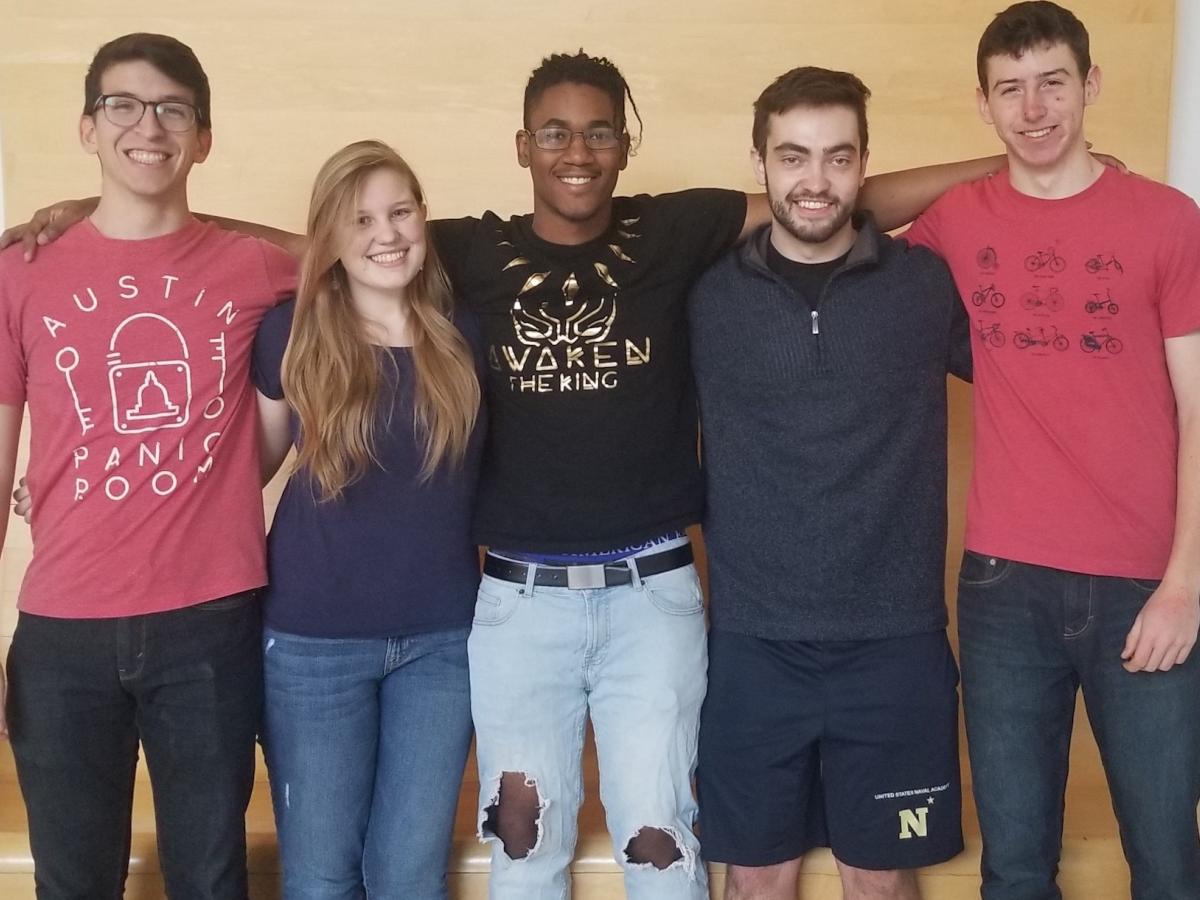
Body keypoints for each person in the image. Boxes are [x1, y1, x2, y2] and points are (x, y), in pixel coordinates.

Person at [1, 49, 1011, 900]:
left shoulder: (679, 229)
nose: (578, 152)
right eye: (556, 134)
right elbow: (334, 242)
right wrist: (114, 210)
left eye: (599, 131)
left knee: (664, 842)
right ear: (522, 147)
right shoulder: (463, 257)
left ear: (626, 142)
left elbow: (837, 194)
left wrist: (1011, 156)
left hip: (655, 592)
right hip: (514, 599)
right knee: (522, 848)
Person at [902, 3, 1200, 897]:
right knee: (1017, 869)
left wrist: (1186, 584)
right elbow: (844, 247)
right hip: (1002, 589)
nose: (1034, 110)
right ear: (985, 106)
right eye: (1011, 91)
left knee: (1169, 861)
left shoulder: (1168, 219)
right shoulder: (953, 221)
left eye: (1053, 83)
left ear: (1091, 85)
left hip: (1146, 586)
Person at [0, 33, 295, 900]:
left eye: (172, 110)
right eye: (121, 106)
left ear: (203, 138)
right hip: (61, 633)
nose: (147, 126)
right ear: (88, 127)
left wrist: (217, 220)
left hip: (210, 624)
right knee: (73, 884)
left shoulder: (253, 265)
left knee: (210, 880)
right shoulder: (21, 271)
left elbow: (356, 251)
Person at [689, 66, 970, 900]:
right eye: (794, 157)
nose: (815, 181)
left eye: (838, 159)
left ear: (865, 165)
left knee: (878, 883)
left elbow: (1040, 385)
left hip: (895, 641)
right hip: (752, 642)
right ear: (760, 162)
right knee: (756, 879)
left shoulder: (925, 286)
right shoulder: (705, 297)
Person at [252, 139, 484, 900]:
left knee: (409, 877)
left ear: (423, 217)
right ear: (331, 237)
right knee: (321, 879)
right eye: (361, 220)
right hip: (313, 644)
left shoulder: (467, 336)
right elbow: (244, 468)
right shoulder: (291, 334)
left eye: (400, 211)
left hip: (443, 645)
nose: (386, 234)